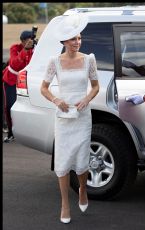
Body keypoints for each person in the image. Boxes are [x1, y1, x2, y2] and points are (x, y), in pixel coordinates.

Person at [40, 14, 99, 224]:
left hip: (83, 117)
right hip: (64, 117)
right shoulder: (54, 62)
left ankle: (83, 188)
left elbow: (95, 86)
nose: (77, 42)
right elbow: (43, 88)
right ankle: (65, 203)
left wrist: (87, 98)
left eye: (79, 38)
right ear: (64, 42)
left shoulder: (89, 59)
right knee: (63, 161)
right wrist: (57, 100)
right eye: (73, 39)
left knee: (82, 160)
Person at [3, 30, 34, 143]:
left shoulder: (35, 49)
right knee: (9, 106)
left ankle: (26, 131)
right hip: (11, 80)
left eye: (31, 39)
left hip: (26, 81)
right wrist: (25, 50)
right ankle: (11, 132)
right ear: (22, 41)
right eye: (27, 40)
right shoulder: (14, 48)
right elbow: (15, 63)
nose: (30, 42)